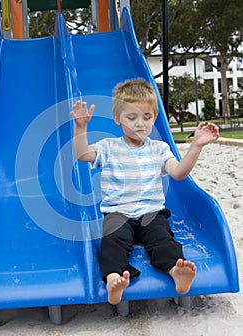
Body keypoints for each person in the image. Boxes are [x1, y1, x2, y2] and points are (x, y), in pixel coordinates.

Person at [71, 78, 219, 305]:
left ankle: (176, 272)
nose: (140, 123)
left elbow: (178, 173)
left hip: (152, 213)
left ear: (155, 118)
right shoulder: (109, 147)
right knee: (112, 243)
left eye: (147, 117)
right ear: (117, 119)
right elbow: (82, 155)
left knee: (164, 242)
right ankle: (113, 280)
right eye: (132, 117)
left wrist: (195, 147)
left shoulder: (159, 149)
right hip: (118, 213)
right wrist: (81, 128)